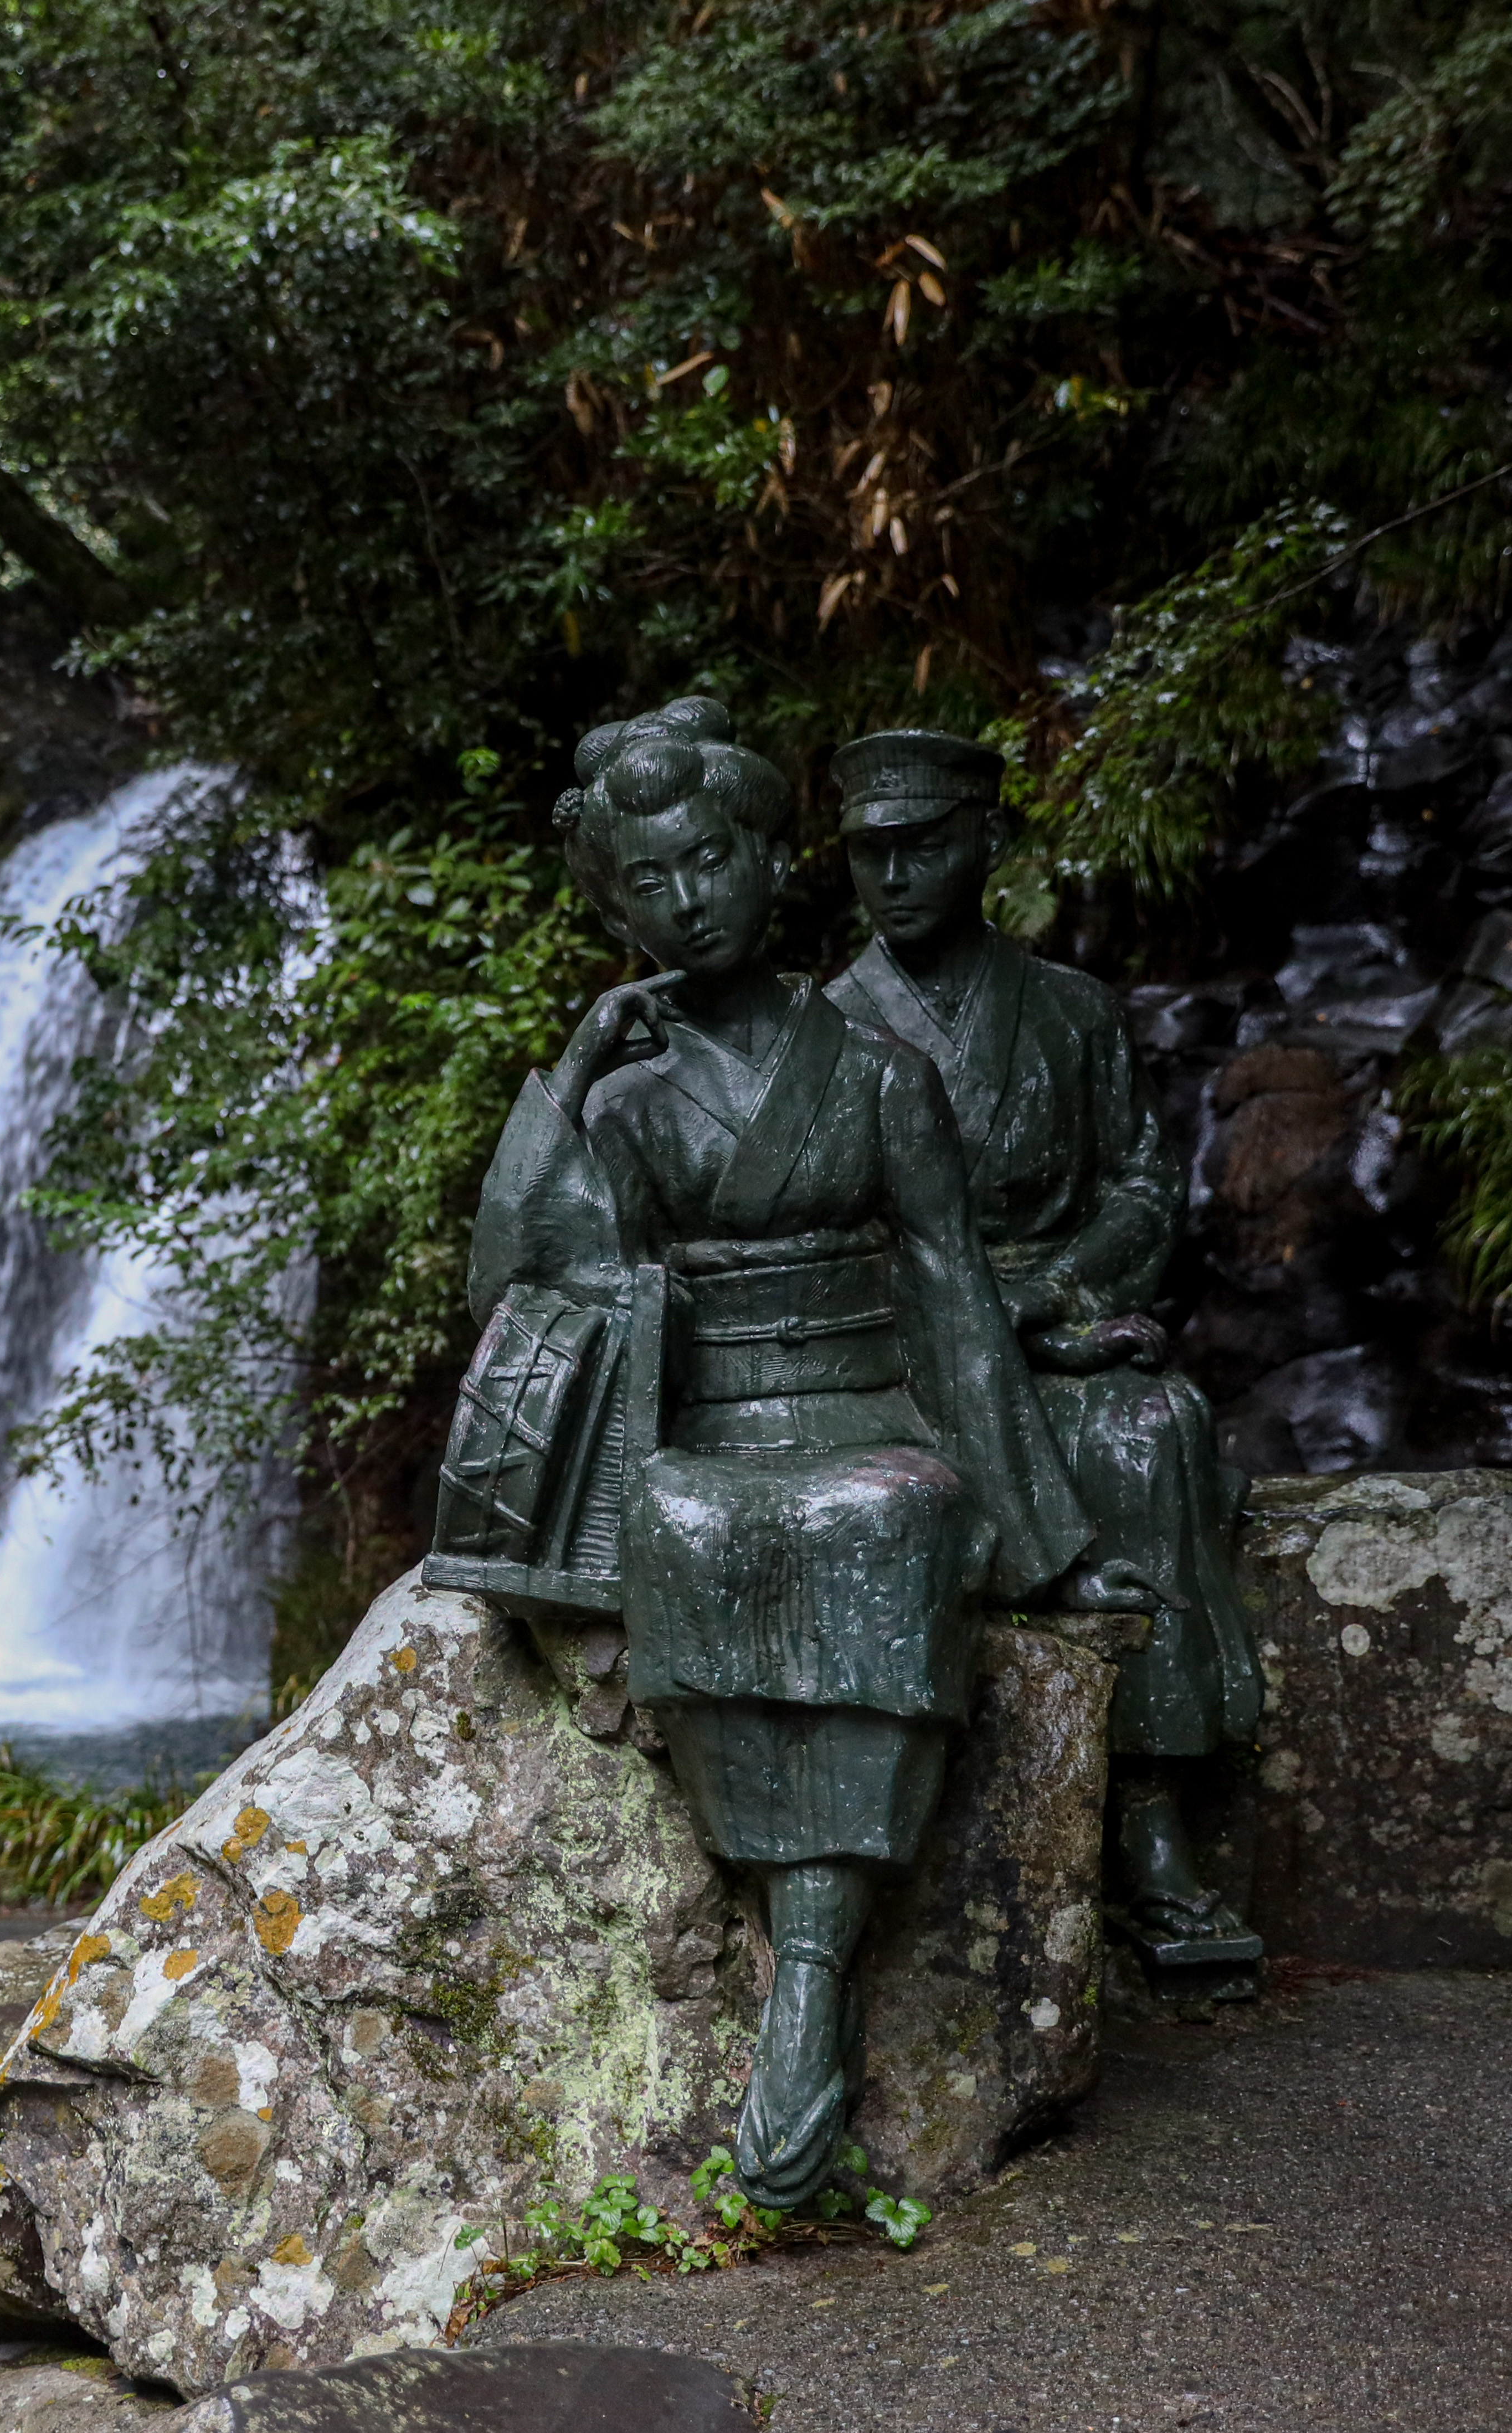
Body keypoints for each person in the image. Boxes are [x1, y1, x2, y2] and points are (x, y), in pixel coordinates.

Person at [433, 697, 1086, 2209]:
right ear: (611, 907)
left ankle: (809, 1970)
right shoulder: (630, 1090)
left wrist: (1026, 1515)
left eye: (707, 862)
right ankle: (795, 1936)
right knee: (686, 1525)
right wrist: (576, 1056)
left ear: (766, 860)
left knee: (892, 1518)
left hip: (865, 1409)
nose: (682, 900)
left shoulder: (870, 1070)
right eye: (643, 883)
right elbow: (517, 1279)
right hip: (708, 1424)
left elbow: (949, 1293)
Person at [825, 729, 1263, 1981]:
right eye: (869, 850)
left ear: (987, 844)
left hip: (1052, 1335)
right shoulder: (823, 1032)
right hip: (907, 1353)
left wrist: (1055, 1290)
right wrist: (964, 1310)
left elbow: (1138, 1184)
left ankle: (1152, 1826)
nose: (893, 872)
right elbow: (817, 1230)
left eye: (921, 843)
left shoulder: (1070, 1014)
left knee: (1150, 1428)